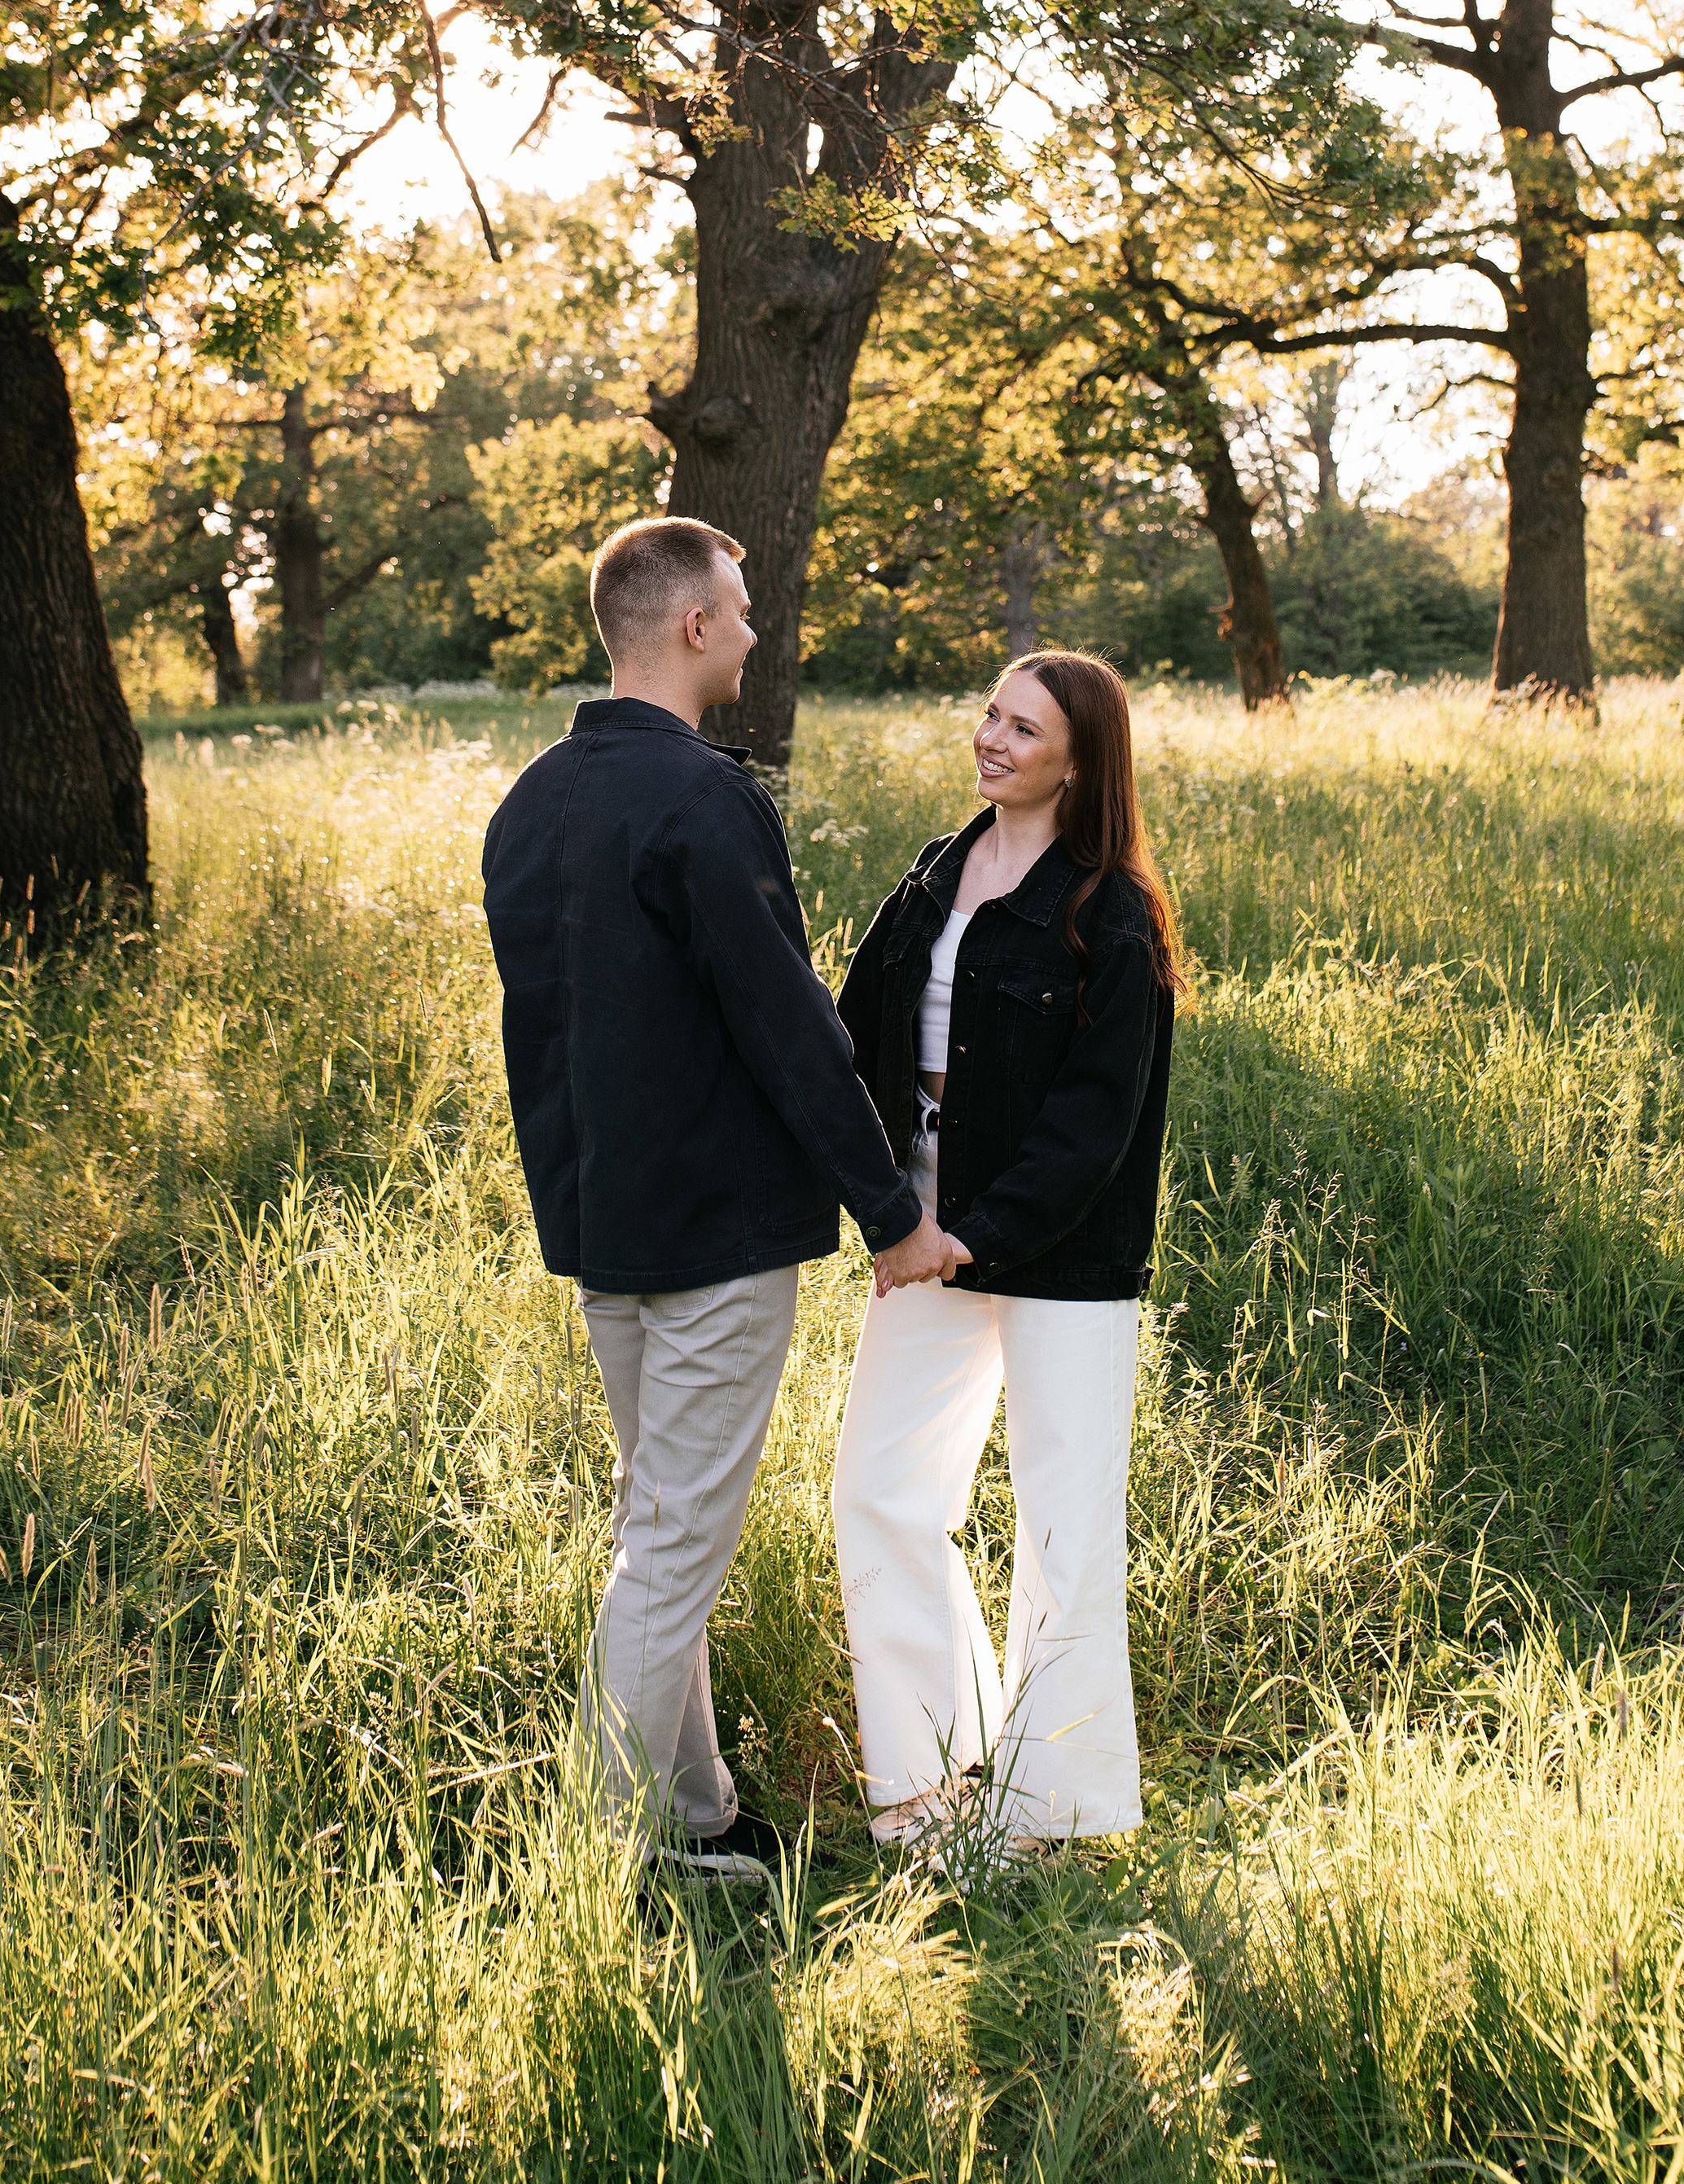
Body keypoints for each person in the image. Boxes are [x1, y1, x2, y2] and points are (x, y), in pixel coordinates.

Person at [480, 517, 958, 1883]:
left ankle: (693, 1815)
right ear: (692, 625)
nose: (753, 631)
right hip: (713, 1240)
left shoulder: (530, 802)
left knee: (659, 1528)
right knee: (669, 1549)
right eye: (741, 610)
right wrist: (892, 1212)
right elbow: (786, 1024)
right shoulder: (702, 796)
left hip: (604, 1233)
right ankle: (610, 1850)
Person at [831, 650, 1186, 1854]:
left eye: (1024, 728)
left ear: (1080, 762)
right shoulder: (936, 871)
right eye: (991, 714)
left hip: (1062, 1252)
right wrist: (888, 1209)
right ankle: (930, 1780)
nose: (992, 738)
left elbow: (1096, 1122)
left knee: (1063, 1528)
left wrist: (969, 1239)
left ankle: (1052, 1813)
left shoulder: (1111, 912)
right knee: (881, 1491)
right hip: (922, 1229)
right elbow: (853, 1032)